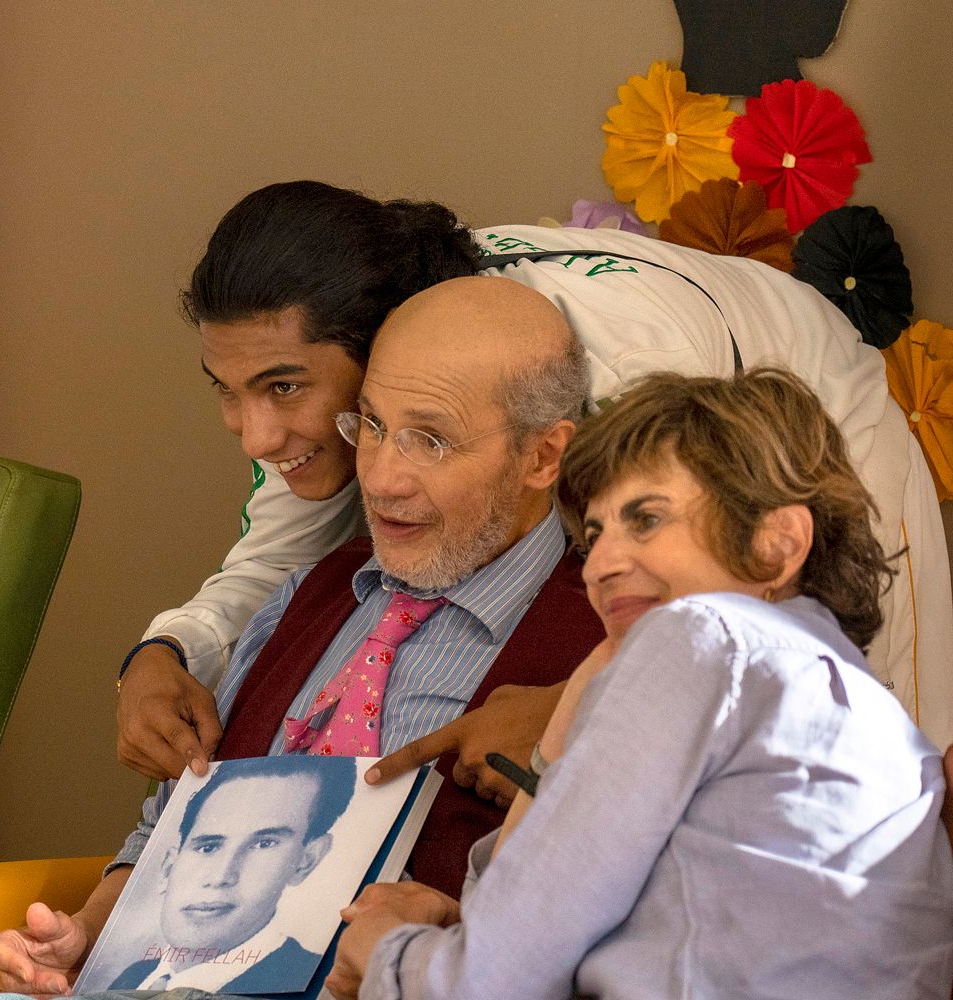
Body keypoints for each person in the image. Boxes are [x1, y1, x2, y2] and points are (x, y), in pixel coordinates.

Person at [119, 184, 951, 800]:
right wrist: (166, 653)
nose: (257, 437)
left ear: (381, 351)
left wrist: (574, 709)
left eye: (282, 389)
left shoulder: (617, 372)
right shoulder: (333, 381)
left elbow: (756, 608)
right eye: (229, 391)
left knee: (868, 756)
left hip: (810, 412)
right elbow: (274, 565)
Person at [0, 276, 606, 998]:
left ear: (542, 456)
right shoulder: (302, 598)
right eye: (372, 425)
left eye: (431, 440)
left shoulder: (610, 651)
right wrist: (82, 943)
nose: (382, 479)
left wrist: (456, 933)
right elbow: (166, 830)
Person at [329, 369, 953, 1000]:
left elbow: (486, 985)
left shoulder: (703, 638)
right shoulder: (857, 708)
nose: (599, 566)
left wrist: (382, 948)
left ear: (776, 543)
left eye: (647, 519)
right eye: (593, 536)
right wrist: (463, 927)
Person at [104, 756, 353, 991]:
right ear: (169, 866)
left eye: (264, 844)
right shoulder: (132, 977)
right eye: (208, 847)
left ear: (306, 861)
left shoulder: (321, 983)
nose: (221, 877)